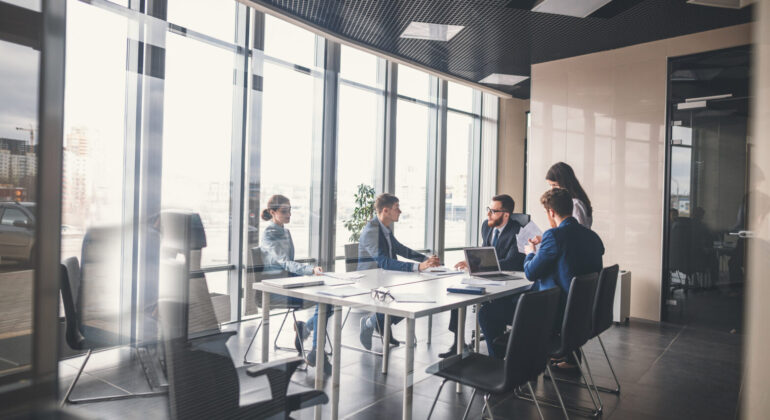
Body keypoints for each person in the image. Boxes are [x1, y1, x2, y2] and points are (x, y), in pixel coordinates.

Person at [478, 188, 604, 360]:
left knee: (487, 312)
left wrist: (530, 252)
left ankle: (499, 367)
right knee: (510, 302)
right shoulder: (592, 237)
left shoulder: (554, 235)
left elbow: (530, 272)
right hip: (582, 313)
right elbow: (572, 258)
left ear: (551, 212)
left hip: (553, 314)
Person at [437, 194, 526, 358]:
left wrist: (481, 265)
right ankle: (458, 343)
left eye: (493, 211)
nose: (488, 214)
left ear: (506, 214)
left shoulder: (518, 231)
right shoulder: (487, 226)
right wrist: (471, 261)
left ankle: (498, 353)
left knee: (488, 311)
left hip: (508, 279)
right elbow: (485, 251)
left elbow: (513, 261)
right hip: (486, 275)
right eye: (488, 209)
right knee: (459, 294)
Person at [357, 193, 440, 349]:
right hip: (370, 280)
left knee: (412, 298)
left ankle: (379, 323)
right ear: (386, 211)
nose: (400, 211)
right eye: (397, 208)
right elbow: (383, 261)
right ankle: (371, 322)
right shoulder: (371, 231)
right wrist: (417, 267)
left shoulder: (384, 228)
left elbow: (400, 249)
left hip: (385, 277)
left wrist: (425, 260)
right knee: (405, 299)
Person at [260, 195, 331, 373]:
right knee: (325, 300)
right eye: (284, 211)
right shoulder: (269, 233)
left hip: (289, 283)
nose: (289, 214)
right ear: (272, 212)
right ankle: (313, 346)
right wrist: (310, 270)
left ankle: (306, 331)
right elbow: (284, 262)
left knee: (329, 299)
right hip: (276, 289)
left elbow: (289, 264)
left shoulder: (285, 231)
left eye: (290, 210)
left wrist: (309, 273)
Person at [545, 162, 593, 228]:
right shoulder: (569, 202)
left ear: (565, 183)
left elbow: (578, 234)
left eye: (555, 185)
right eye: (550, 185)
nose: (552, 189)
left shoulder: (575, 204)